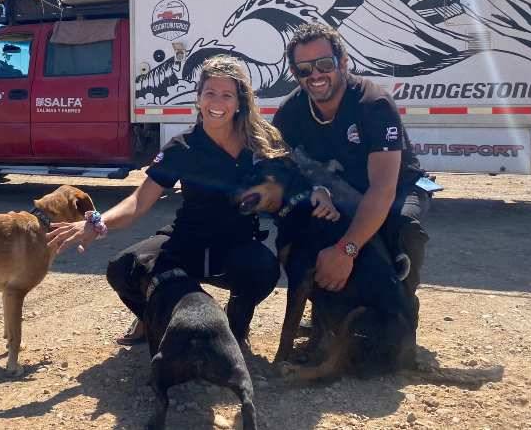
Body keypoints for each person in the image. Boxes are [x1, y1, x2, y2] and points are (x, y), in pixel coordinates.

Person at [48, 55, 336, 346]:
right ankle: (155, 319)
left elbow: (295, 175)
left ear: (240, 102)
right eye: (210, 93)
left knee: (263, 269)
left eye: (227, 95)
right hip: (186, 240)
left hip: (235, 244)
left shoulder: (260, 142)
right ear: (198, 98)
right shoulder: (182, 147)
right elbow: (139, 200)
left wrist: (319, 190)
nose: (217, 102)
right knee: (123, 269)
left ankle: (236, 328)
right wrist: (98, 222)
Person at [272, 23, 431, 325]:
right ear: (294, 74)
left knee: (404, 229)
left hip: (397, 187)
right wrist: (312, 190)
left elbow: (382, 189)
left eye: (324, 64)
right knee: (307, 222)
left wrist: (347, 249)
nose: (315, 75)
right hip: (339, 190)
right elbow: (279, 167)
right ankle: (324, 311)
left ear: (343, 62)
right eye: (304, 69)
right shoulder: (290, 112)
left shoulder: (373, 104)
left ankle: (401, 315)